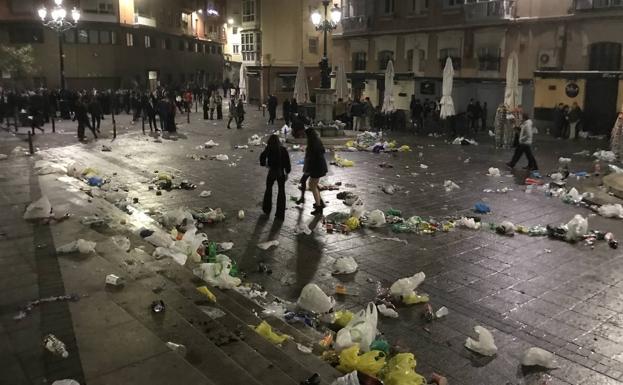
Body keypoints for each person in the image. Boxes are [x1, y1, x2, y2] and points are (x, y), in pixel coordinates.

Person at [260, 134, 291, 220]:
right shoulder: (283, 150)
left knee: (268, 189)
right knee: (281, 191)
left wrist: (265, 164)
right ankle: (280, 214)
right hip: (281, 173)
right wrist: (287, 172)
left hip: (272, 172)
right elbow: (287, 163)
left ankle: (267, 209)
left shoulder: (269, 148)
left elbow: (262, 157)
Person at [303, 128, 328, 215]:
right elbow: (323, 151)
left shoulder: (312, 144)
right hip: (321, 165)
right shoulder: (317, 140)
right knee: (313, 184)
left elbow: (311, 159)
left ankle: (318, 207)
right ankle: (320, 202)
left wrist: (307, 170)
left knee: (312, 186)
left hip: (316, 167)